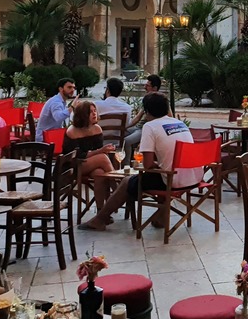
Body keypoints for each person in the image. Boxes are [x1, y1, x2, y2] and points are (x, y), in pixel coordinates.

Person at [81, 92, 196, 231]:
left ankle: (100, 219)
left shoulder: (150, 126)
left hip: (173, 179)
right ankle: (160, 216)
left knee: (127, 182)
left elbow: (147, 165)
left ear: (147, 112)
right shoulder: (180, 124)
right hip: (193, 176)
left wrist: (156, 165)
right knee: (161, 175)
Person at [64, 100, 117, 214]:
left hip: (91, 164)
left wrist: (102, 150)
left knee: (99, 174)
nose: (94, 114)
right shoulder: (72, 131)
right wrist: (101, 151)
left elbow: (97, 151)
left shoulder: (97, 128)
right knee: (102, 157)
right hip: (73, 165)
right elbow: (78, 155)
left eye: (95, 111)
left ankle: (101, 211)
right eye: (90, 112)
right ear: (83, 115)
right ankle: (117, 190)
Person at [123, 74, 164, 159]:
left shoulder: (161, 101)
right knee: (120, 134)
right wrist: (124, 127)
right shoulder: (147, 98)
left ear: (155, 88)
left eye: (147, 86)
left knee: (127, 141)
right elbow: (138, 117)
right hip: (138, 128)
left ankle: (126, 166)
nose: (145, 87)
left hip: (145, 129)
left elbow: (169, 116)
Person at [34, 77, 75, 142]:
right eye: (69, 87)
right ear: (61, 89)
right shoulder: (56, 102)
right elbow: (58, 117)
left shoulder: (61, 100)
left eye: (73, 88)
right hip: (45, 139)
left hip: (53, 135)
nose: (73, 90)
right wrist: (72, 107)